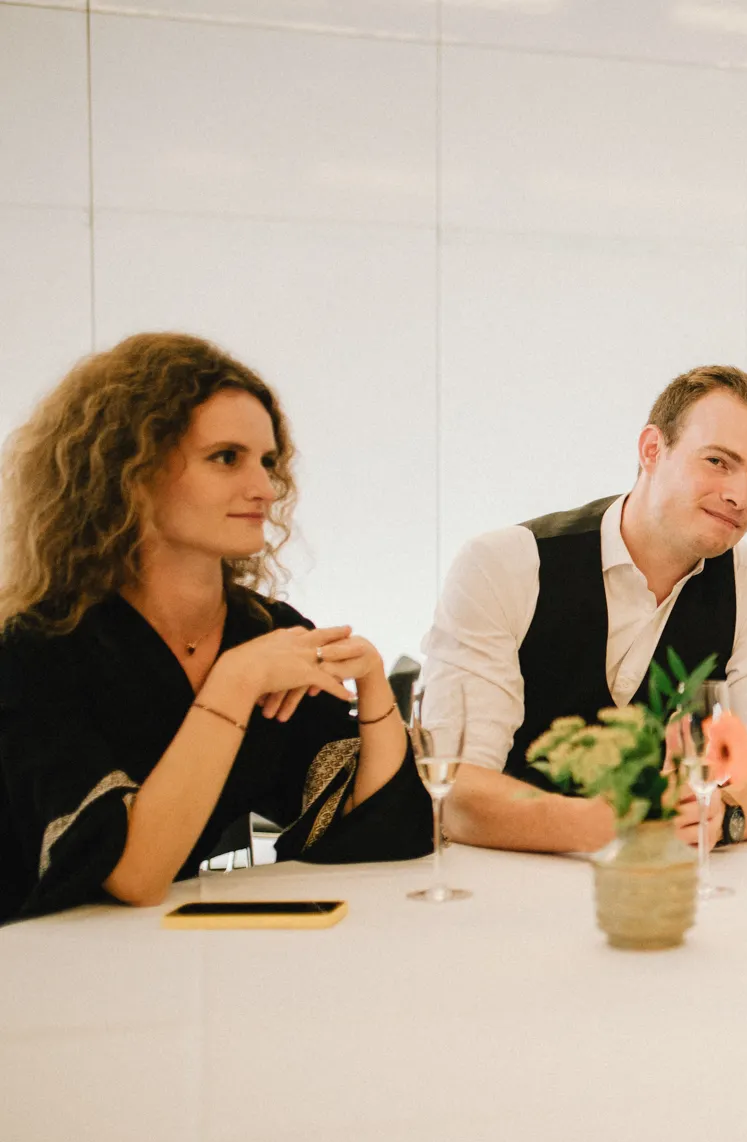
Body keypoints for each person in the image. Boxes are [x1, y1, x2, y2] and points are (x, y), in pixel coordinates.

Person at [0, 333, 431, 922]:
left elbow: (387, 831)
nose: (265, 489)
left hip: (177, 952)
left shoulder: (265, 631)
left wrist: (373, 684)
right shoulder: (37, 648)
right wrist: (234, 682)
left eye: (267, 462)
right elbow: (133, 875)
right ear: (131, 473)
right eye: (227, 457)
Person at [422, 365, 747, 855]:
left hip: (663, 879)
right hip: (502, 873)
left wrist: (725, 815)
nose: (739, 496)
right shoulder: (503, 564)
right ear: (652, 450)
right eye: (718, 462)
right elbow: (454, 787)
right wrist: (615, 826)